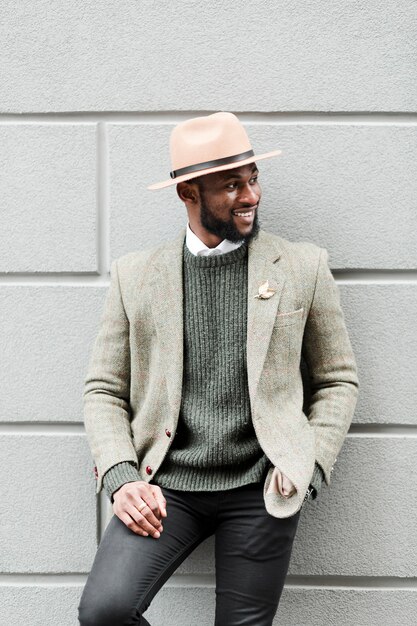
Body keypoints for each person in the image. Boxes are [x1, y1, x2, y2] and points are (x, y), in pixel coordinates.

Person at [78, 111, 359, 625]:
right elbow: (103, 390)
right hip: (166, 486)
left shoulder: (303, 266)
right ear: (188, 192)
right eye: (231, 185)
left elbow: (337, 379)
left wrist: (308, 465)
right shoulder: (135, 276)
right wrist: (121, 477)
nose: (250, 195)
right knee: (105, 611)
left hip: (261, 487)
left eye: (253, 178)